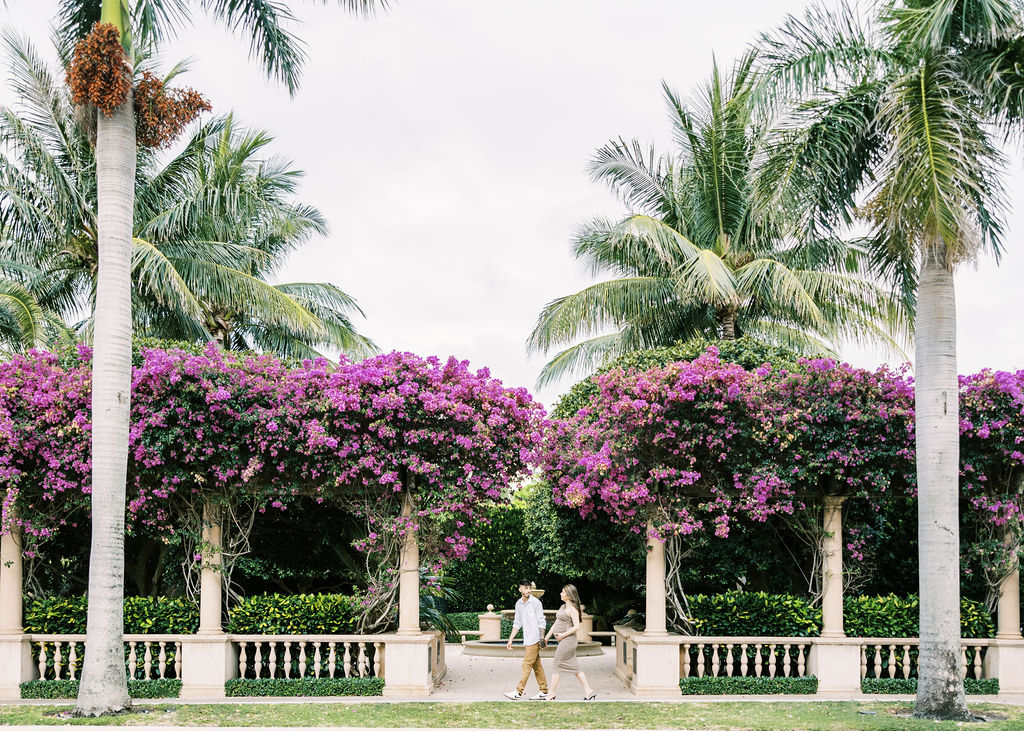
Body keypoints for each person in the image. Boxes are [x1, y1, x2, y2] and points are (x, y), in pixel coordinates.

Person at [542, 584, 596, 701]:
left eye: (563, 592)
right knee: (575, 668)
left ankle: (551, 693)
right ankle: (589, 691)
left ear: (569, 595)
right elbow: (556, 623)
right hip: (564, 640)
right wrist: (546, 638)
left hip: (568, 641)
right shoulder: (563, 607)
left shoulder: (573, 609)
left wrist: (562, 635)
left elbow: (577, 627)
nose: (561, 594)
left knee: (556, 664)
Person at [503, 579, 549, 700]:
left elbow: (542, 620)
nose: (528, 590)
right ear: (520, 589)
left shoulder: (536, 603)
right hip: (527, 638)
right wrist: (510, 639)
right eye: (526, 588)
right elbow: (517, 622)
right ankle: (544, 690)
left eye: (529, 588)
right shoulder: (518, 604)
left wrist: (542, 638)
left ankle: (518, 691)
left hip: (535, 638)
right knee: (536, 665)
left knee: (526, 665)